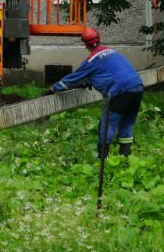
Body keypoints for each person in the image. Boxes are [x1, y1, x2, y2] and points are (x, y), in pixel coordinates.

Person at [50, 27, 144, 158]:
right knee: (127, 122)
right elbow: (108, 73)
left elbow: (71, 78)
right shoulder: (113, 52)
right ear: (99, 39)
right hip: (138, 87)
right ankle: (126, 155)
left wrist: (53, 89)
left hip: (121, 90)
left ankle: (102, 158)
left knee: (107, 124)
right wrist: (88, 82)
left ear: (85, 44)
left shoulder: (91, 60)